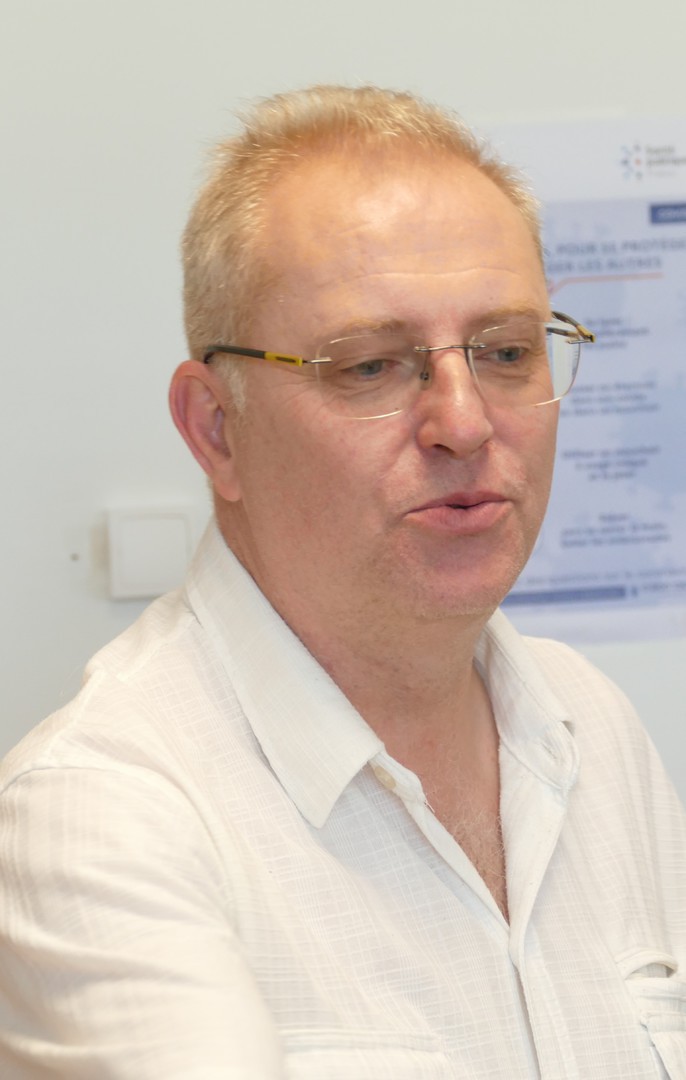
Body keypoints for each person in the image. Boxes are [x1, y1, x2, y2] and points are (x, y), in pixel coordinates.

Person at [0, 85, 684, 1079]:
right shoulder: (104, 816)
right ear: (216, 430)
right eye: (369, 367)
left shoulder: (589, 727)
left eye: (504, 352)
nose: (464, 422)